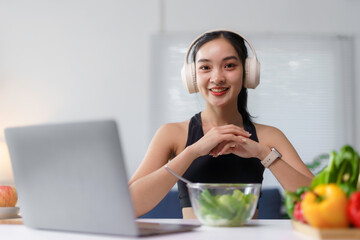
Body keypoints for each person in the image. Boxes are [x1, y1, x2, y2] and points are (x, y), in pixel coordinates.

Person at [128, 30, 314, 219]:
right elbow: (129, 206)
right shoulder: (172, 134)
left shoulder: (269, 137)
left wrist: (263, 153)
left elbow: (317, 201)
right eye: (205, 67)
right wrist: (192, 152)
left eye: (229, 65)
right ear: (192, 76)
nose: (217, 78)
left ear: (247, 73)